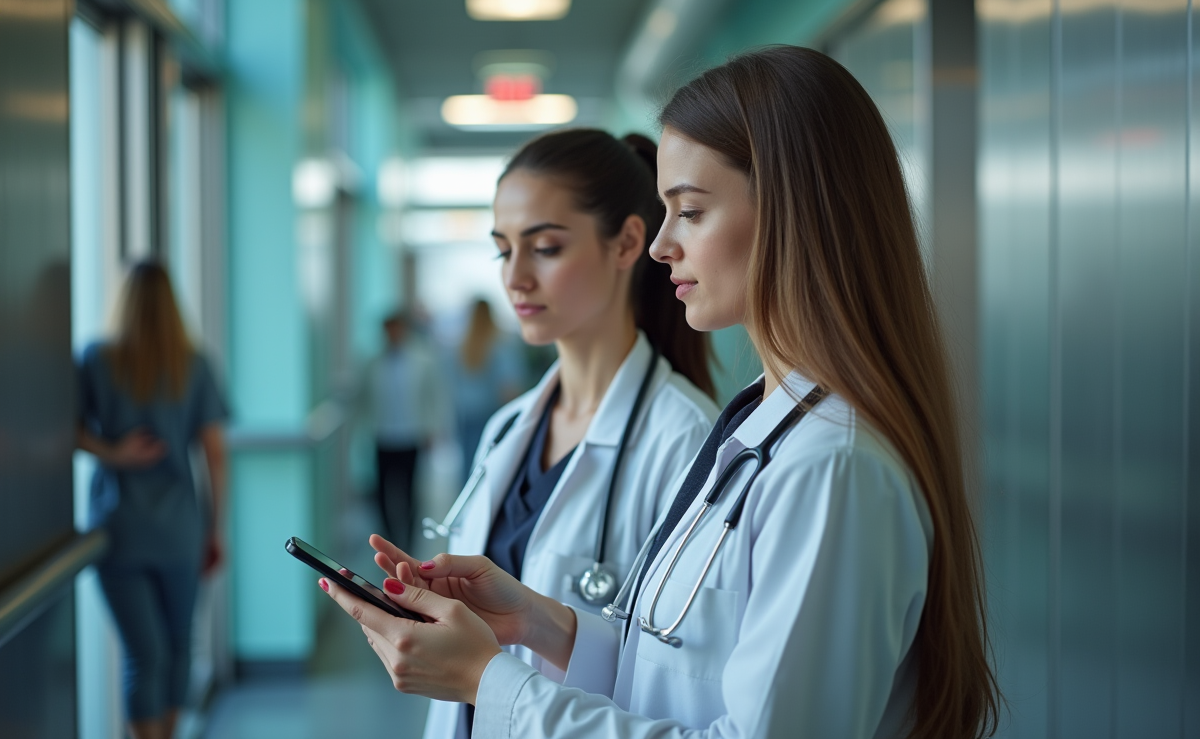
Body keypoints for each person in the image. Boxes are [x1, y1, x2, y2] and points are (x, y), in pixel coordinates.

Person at [321, 47, 1003, 738]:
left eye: (691, 212)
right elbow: (678, 675)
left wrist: (490, 682)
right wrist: (538, 623)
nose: (660, 246)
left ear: (793, 212)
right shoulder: (760, 428)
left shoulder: (832, 468)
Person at [409, 128, 719, 739]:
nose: (515, 278)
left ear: (627, 242)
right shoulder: (507, 429)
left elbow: (682, 682)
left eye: (545, 248)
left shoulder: (686, 441)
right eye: (503, 251)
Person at [77, 260, 228, 739]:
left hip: (118, 528)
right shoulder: (193, 363)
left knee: (143, 656)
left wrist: (113, 453)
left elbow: (66, 431)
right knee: (179, 646)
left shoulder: (96, 359)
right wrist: (214, 530)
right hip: (180, 529)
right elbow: (215, 456)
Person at [365, 310, 443, 545]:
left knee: (410, 491)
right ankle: (388, 537)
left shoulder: (422, 361)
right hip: (383, 434)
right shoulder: (373, 363)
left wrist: (433, 428)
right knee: (382, 491)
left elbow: (434, 397)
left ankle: (407, 540)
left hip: (411, 434)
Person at [450, 298, 525, 486]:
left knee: (468, 465)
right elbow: (509, 386)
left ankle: (468, 502)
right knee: (490, 466)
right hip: (491, 413)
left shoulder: (461, 345)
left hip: (465, 414)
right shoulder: (500, 343)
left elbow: (452, 385)